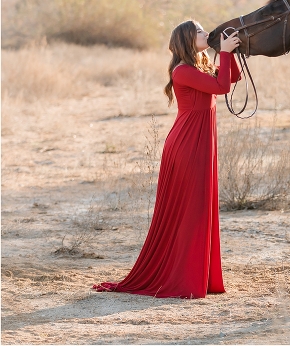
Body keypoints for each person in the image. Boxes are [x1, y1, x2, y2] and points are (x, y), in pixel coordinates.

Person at [93, 20, 241, 298]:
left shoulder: (199, 66)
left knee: (200, 208)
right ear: (187, 39)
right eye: (199, 31)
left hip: (199, 142)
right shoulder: (182, 71)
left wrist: (228, 52)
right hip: (187, 145)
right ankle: (185, 278)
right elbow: (221, 88)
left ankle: (198, 275)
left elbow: (231, 79)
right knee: (192, 209)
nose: (204, 33)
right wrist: (223, 51)